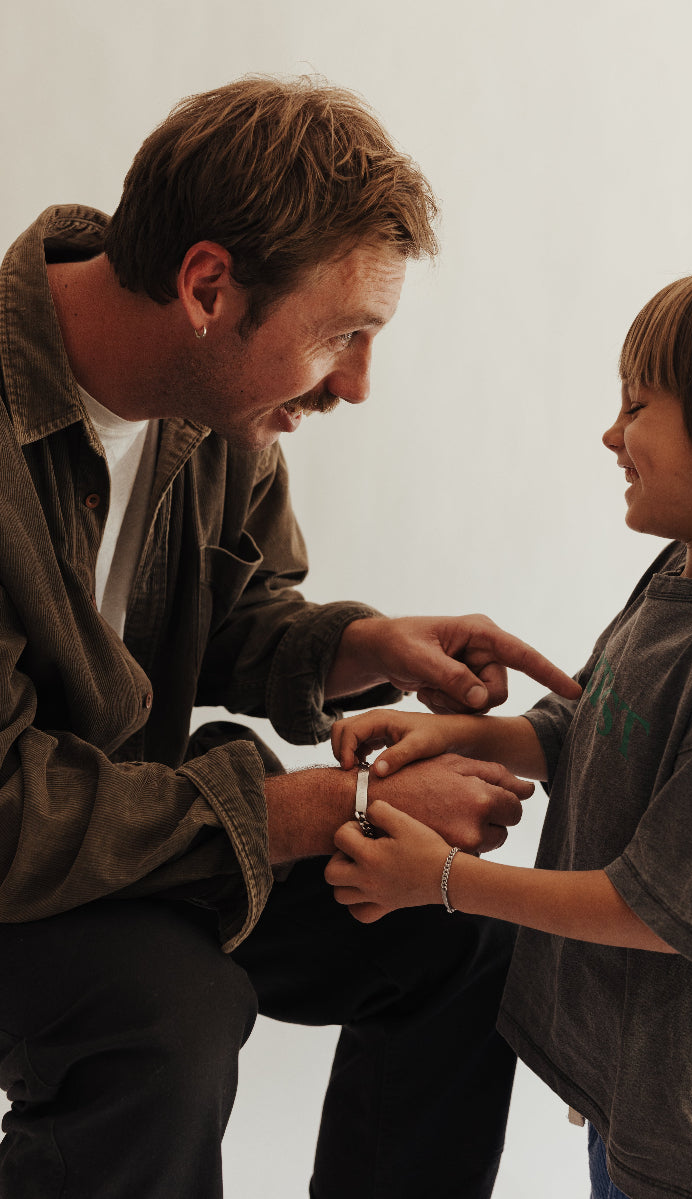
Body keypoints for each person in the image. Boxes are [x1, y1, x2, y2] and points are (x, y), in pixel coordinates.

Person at [0, 77, 581, 1199]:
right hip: (21, 847)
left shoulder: (205, 396)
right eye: (342, 336)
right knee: (165, 1013)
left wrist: (359, 644)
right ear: (208, 285)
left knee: (458, 926)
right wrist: (336, 807)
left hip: (132, 819)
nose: (357, 384)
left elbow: (229, 612)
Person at [327, 263, 692, 1199]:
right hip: (631, 1080)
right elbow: (601, 721)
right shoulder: (686, 575)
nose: (610, 434)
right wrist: (468, 739)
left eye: (637, 404)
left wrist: (443, 883)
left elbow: (664, 909)